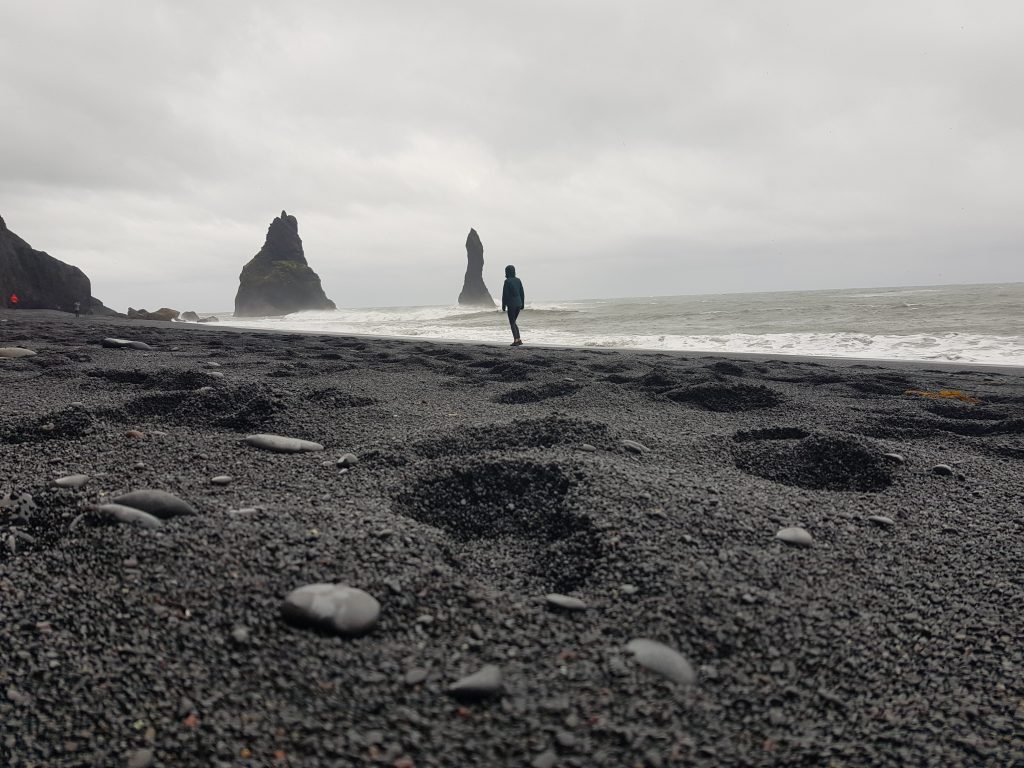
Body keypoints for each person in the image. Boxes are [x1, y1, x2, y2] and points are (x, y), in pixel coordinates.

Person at [501, 264, 525, 346]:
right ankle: (518, 339)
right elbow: (522, 293)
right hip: (519, 303)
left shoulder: (507, 281)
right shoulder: (518, 280)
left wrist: (503, 305)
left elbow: (505, 294)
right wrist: (522, 304)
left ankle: (516, 340)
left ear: (507, 272)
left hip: (511, 304)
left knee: (512, 322)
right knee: (514, 322)